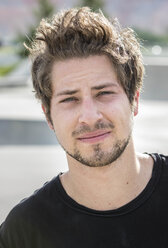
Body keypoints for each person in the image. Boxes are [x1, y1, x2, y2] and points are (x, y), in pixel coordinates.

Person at [0, 7, 168, 248]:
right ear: (48, 116)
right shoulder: (24, 231)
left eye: (104, 93)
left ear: (134, 101)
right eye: (70, 99)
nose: (89, 117)